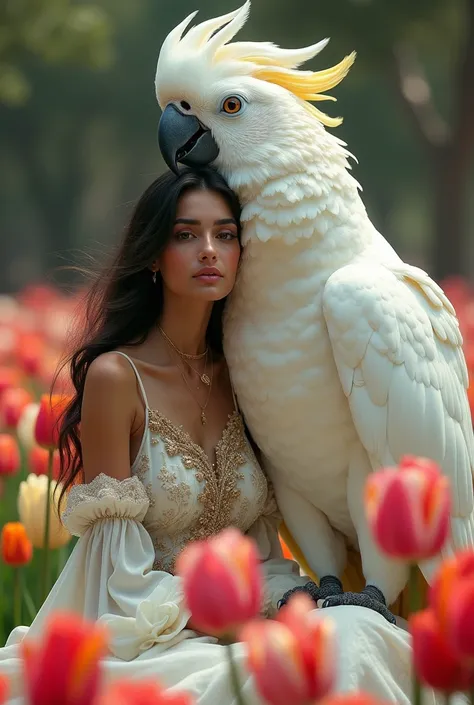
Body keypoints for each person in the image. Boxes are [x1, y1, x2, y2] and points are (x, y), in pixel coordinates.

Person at [0, 167, 438, 705]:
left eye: (225, 235)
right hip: (150, 639)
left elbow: (262, 542)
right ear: (154, 255)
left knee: (358, 629)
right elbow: (113, 574)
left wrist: (291, 597)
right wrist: (231, 602)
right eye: (186, 235)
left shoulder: (246, 376)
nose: (208, 250)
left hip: (250, 625)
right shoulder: (118, 378)